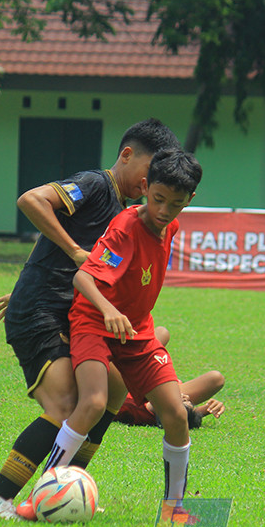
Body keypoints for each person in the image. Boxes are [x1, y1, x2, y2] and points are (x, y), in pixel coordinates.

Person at [0, 119, 181, 521]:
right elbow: (32, 200)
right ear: (126, 156)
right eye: (148, 170)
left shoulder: (133, 214)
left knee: (113, 391)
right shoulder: (96, 184)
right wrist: (71, 253)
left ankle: (66, 487)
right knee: (67, 404)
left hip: (74, 314)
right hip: (41, 313)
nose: (149, 182)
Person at [42, 148, 203, 506]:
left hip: (136, 331)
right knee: (95, 402)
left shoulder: (170, 224)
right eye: (158, 199)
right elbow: (84, 279)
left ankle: (174, 508)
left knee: (176, 414)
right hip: (94, 322)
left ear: (189, 200)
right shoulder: (126, 229)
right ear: (146, 187)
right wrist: (109, 309)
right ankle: (44, 492)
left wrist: (125, 316)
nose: (164, 211)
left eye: (175, 204)